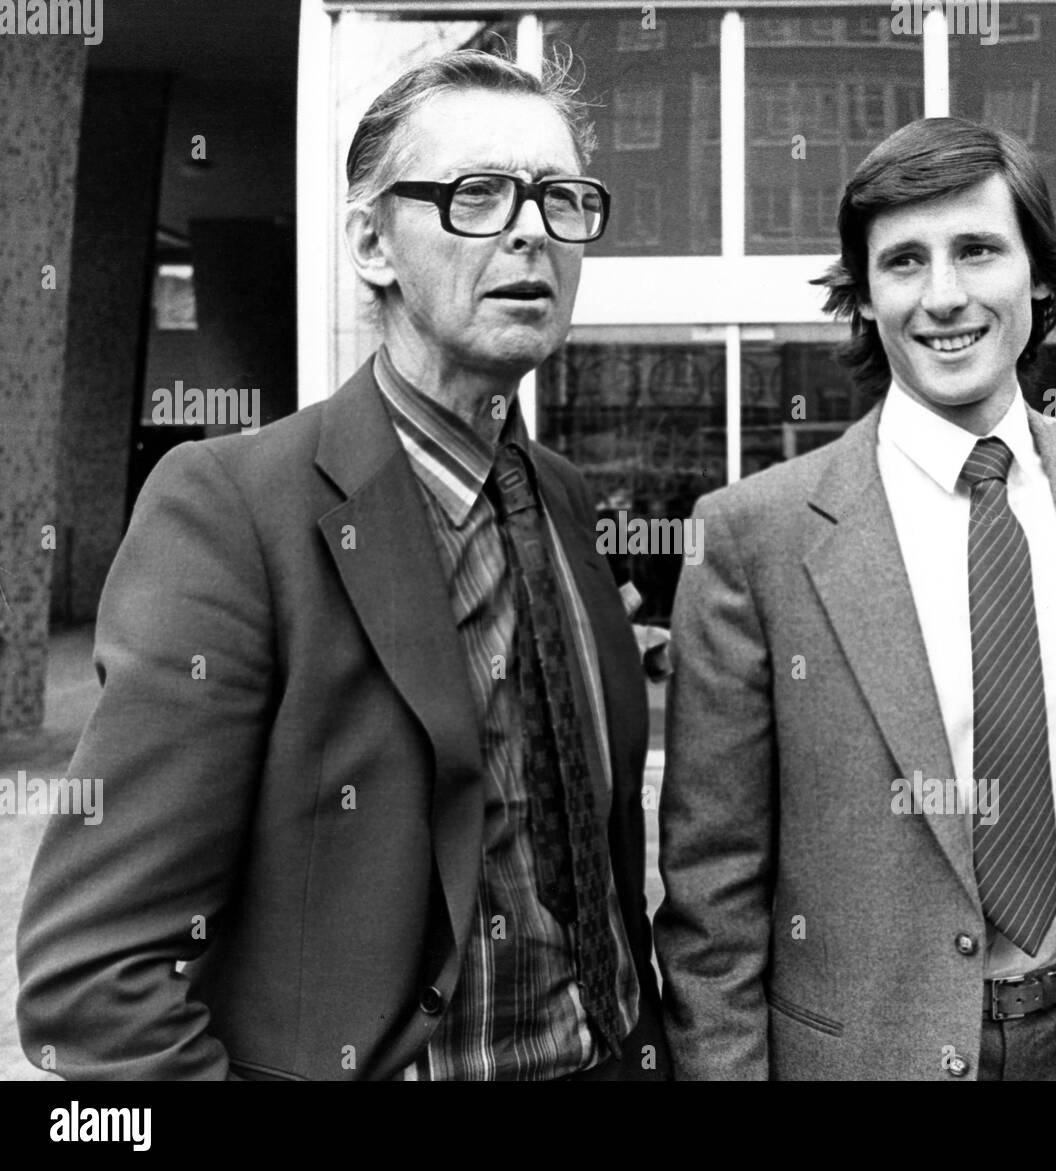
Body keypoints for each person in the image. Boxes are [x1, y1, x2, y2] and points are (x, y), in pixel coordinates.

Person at [17, 50, 668, 1081]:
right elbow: (95, 982)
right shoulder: (233, 507)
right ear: (372, 243)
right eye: (479, 195)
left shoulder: (561, 498)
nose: (532, 229)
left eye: (560, 197)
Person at [655, 117, 1056, 1081]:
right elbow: (713, 909)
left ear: (1037, 274)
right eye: (903, 261)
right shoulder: (753, 535)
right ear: (865, 295)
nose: (943, 296)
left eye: (977, 249)